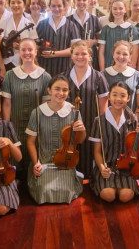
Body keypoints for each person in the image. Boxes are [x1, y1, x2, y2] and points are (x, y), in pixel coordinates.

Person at [25, 76, 86, 204]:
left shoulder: (74, 111)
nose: (61, 93)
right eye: (57, 89)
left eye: (65, 90)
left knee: (66, 191)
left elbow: (80, 140)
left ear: (69, 92)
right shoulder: (37, 112)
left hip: (66, 162)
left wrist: (82, 130)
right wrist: (36, 162)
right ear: (49, 90)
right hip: (44, 162)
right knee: (44, 190)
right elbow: (30, 142)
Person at [1, 38, 51, 178]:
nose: (27, 53)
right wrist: (6, 126)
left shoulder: (45, 76)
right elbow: (6, 103)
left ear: (36, 52)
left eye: (30, 50)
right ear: (19, 52)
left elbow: (45, 106)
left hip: (36, 128)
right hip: (15, 125)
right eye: (23, 50)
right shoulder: (10, 75)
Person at [90, 82, 139, 202]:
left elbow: (136, 149)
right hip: (106, 167)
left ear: (128, 98)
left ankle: (124, 184)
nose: (118, 99)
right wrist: (102, 167)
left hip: (126, 168)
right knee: (108, 196)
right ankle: (100, 181)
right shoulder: (99, 121)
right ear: (109, 96)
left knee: (126, 196)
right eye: (114, 95)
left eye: (123, 96)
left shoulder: (133, 120)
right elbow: (97, 151)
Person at [63, 41, 109, 178]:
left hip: (90, 125)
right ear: (71, 56)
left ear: (90, 56)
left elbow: (103, 108)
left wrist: (102, 129)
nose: (80, 56)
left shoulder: (99, 77)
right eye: (76, 53)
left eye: (84, 53)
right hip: (68, 126)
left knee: (88, 164)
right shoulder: (63, 77)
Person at [0, 0, 39, 81]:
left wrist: (23, 46)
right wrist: (2, 68)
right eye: (13, 3)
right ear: (9, 5)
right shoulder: (4, 23)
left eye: (19, 2)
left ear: (24, 5)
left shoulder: (30, 24)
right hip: (6, 64)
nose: (15, 5)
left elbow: (35, 47)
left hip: (25, 64)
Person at [37, 0, 81, 77]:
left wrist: (55, 54)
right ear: (49, 7)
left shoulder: (71, 26)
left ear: (64, 7)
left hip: (64, 68)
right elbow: (35, 44)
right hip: (44, 67)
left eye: (59, 6)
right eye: (53, 6)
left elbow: (75, 49)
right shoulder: (42, 24)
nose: (56, 9)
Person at [99, 0, 139, 70]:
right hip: (108, 68)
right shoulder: (106, 29)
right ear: (111, 10)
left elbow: (135, 52)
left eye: (120, 8)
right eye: (115, 8)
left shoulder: (132, 29)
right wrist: (102, 71)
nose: (118, 11)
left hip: (126, 68)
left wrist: (131, 68)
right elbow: (101, 52)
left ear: (125, 10)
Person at [103, 41, 139, 111]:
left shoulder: (137, 75)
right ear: (113, 54)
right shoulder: (103, 75)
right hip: (109, 119)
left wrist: (135, 120)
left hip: (130, 119)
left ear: (130, 57)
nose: (121, 56)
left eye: (125, 54)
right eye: (118, 53)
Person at [67, 0, 101, 68]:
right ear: (74, 2)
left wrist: (93, 41)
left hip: (91, 57)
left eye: (84, 0)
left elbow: (100, 40)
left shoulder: (94, 19)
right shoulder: (68, 20)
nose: (81, 2)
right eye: (78, 0)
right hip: (74, 58)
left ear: (88, 2)